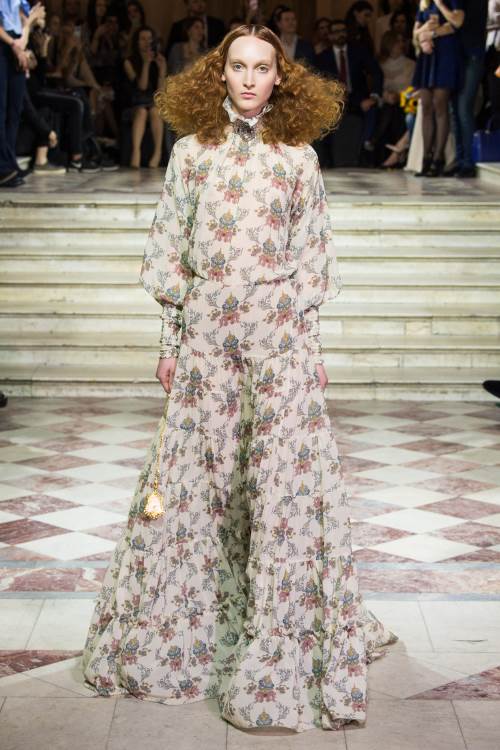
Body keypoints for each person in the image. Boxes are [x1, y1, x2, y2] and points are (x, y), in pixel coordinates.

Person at [81, 22, 398, 733]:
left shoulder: (299, 160)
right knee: (197, 488)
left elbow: (311, 262)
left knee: (281, 492)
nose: (250, 79)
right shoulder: (191, 154)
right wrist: (170, 341)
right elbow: (170, 250)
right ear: (218, 75)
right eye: (238, 67)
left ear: (282, 77)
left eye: (262, 67)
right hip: (206, 346)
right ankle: (184, 632)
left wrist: (309, 348)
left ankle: (276, 642)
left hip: (278, 346)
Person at [315, 18, 383, 166]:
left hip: (358, 99)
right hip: (333, 100)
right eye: (336, 32)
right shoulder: (322, 57)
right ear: (330, 35)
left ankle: (366, 147)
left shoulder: (358, 51)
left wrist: (374, 96)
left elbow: (376, 72)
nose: (341, 34)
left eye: (343, 31)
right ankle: (327, 160)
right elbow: (317, 82)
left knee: (373, 109)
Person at [412, 0, 465, 176]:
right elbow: (415, 32)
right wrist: (424, 32)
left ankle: (438, 158)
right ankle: (426, 157)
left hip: (446, 54)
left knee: (440, 104)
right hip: (428, 55)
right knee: (426, 105)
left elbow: (456, 24)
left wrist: (440, 6)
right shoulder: (424, 3)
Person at [0, 0, 45, 188]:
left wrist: (29, 25)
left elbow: (34, 20)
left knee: (14, 110)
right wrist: (15, 44)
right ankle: (3, 167)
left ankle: (9, 163)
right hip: (5, 43)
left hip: (17, 44)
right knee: (1, 109)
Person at [445, 0, 488, 177]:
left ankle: (468, 162)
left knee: (463, 107)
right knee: (455, 109)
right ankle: (461, 159)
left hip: (472, 55)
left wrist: (439, 5)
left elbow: (458, 21)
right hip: (459, 56)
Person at [366, 30, 415, 162]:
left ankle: (374, 140)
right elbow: (374, 86)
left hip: (404, 101)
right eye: (397, 41)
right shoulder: (379, 64)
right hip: (383, 101)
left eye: (402, 41)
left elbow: (412, 87)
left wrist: (399, 96)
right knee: (388, 109)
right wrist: (386, 96)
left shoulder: (411, 65)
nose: (401, 44)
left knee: (393, 111)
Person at [124, 25, 166, 167]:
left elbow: (160, 92)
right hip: (134, 103)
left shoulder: (158, 59)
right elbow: (141, 87)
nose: (147, 42)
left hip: (153, 102)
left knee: (155, 111)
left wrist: (162, 70)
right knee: (142, 111)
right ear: (137, 42)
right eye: (143, 39)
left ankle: (157, 153)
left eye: (149, 39)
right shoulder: (129, 62)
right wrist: (146, 64)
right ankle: (136, 152)